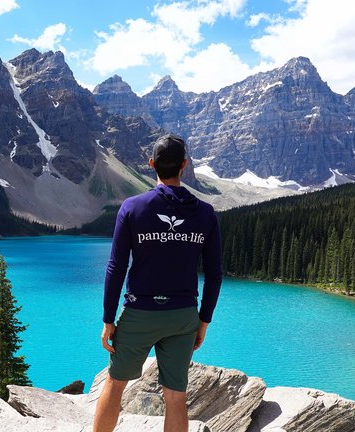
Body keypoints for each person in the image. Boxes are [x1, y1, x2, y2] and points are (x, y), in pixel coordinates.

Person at [93, 134, 223, 432]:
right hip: (182, 316)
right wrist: (203, 321)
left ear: (152, 165)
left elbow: (116, 267)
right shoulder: (205, 213)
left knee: (115, 384)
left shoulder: (132, 207)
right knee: (176, 396)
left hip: (140, 314)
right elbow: (215, 274)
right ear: (184, 166)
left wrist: (108, 319)